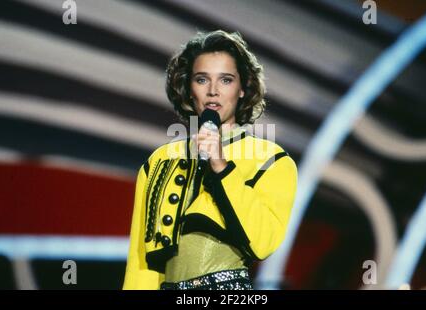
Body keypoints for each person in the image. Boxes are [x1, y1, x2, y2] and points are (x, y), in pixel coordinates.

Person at [123, 30, 298, 290]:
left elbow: (263, 242)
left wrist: (221, 165)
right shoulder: (159, 161)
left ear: (242, 89)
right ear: (188, 88)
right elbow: (141, 263)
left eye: (226, 80)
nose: (213, 91)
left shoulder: (272, 160)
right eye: (202, 79)